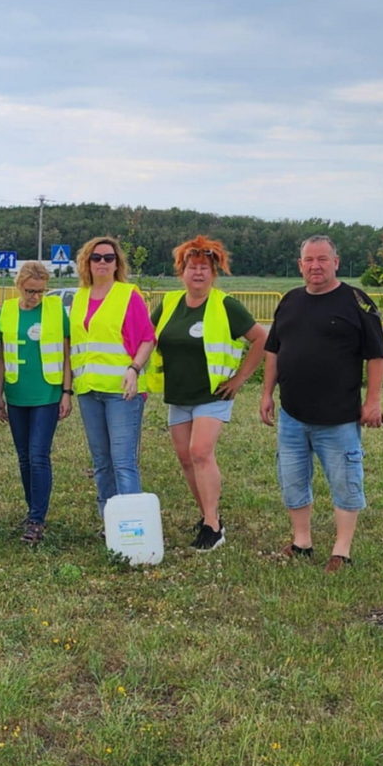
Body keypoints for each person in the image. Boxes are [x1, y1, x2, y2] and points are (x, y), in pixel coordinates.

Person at [260, 235, 383, 572]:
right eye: (309, 260)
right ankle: (302, 542)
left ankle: (341, 551)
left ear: (336, 262)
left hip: (339, 417)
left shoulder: (356, 301)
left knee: (345, 482)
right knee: (292, 480)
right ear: (300, 265)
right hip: (292, 415)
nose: (315, 266)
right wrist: (266, 393)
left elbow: (376, 355)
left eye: (322, 259)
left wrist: (373, 401)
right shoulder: (289, 300)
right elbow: (273, 350)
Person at [149, 236, 267, 551]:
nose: (198, 273)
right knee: (186, 459)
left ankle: (213, 527)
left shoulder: (225, 305)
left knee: (200, 452)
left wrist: (240, 378)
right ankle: (207, 515)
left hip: (213, 394)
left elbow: (261, 339)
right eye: (192, 267)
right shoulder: (170, 303)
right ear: (182, 272)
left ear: (214, 273)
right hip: (179, 394)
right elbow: (147, 336)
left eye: (204, 268)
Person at [70, 237, 155, 523]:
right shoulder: (79, 297)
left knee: (123, 462)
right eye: (96, 257)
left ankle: (132, 526)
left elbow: (147, 338)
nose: (103, 263)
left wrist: (134, 368)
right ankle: (110, 522)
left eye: (109, 258)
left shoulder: (128, 294)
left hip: (122, 392)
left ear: (117, 263)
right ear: (87, 262)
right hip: (88, 390)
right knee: (101, 462)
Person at [0, 262, 72, 544]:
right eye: (30, 291)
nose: (35, 297)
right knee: (24, 457)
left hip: (47, 393)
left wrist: (67, 391)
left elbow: (67, 353)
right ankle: (32, 510)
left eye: (40, 291)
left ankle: (37, 519)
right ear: (19, 287)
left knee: (39, 455)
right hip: (17, 393)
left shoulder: (56, 310)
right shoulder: (7, 311)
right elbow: (3, 356)